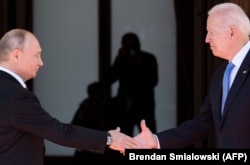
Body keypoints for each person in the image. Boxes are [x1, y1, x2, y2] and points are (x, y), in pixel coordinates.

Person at [0, 29, 137, 165]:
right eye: (37, 55)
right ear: (17, 55)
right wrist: (109, 139)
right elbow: (59, 132)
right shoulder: (15, 96)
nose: (41, 62)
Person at [134, 2, 250, 149]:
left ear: (232, 32)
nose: (207, 39)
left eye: (211, 32)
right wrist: (156, 141)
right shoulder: (221, 74)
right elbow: (203, 123)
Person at [109, 32, 158, 137]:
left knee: (149, 139)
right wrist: (119, 59)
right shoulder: (121, 60)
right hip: (125, 106)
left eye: (132, 46)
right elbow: (110, 79)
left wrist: (141, 64)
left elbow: (153, 81)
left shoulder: (148, 58)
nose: (130, 50)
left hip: (144, 105)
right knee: (124, 140)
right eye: (127, 46)